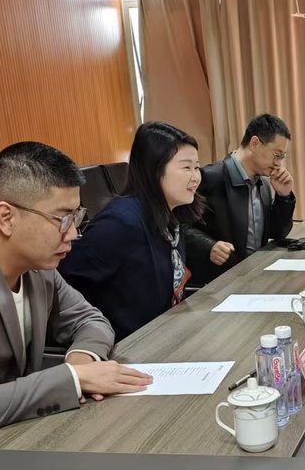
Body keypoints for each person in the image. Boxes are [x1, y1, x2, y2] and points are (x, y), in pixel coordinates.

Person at [0, 142, 153, 470]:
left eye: (77, 217)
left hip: (12, 433)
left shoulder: (37, 265)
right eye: (62, 219)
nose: (73, 234)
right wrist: (73, 378)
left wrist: (82, 361)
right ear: (6, 217)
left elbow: (89, 320)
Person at [59, 122, 204, 341]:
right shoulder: (119, 223)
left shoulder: (170, 215)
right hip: (125, 346)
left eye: (197, 167)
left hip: (163, 335)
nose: (196, 177)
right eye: (186, 168)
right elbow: (65, 285)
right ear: (154, 169)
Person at [183, 113, 296, 285]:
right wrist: (208, 246)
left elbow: (276, 233)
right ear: (254, 143)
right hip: (219, 284)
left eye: (282, 157)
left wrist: (284, 197)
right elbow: (177, 226)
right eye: (277, 154)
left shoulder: (263, 184)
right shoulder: (211, 177)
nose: (278, 163)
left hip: (254, 277)